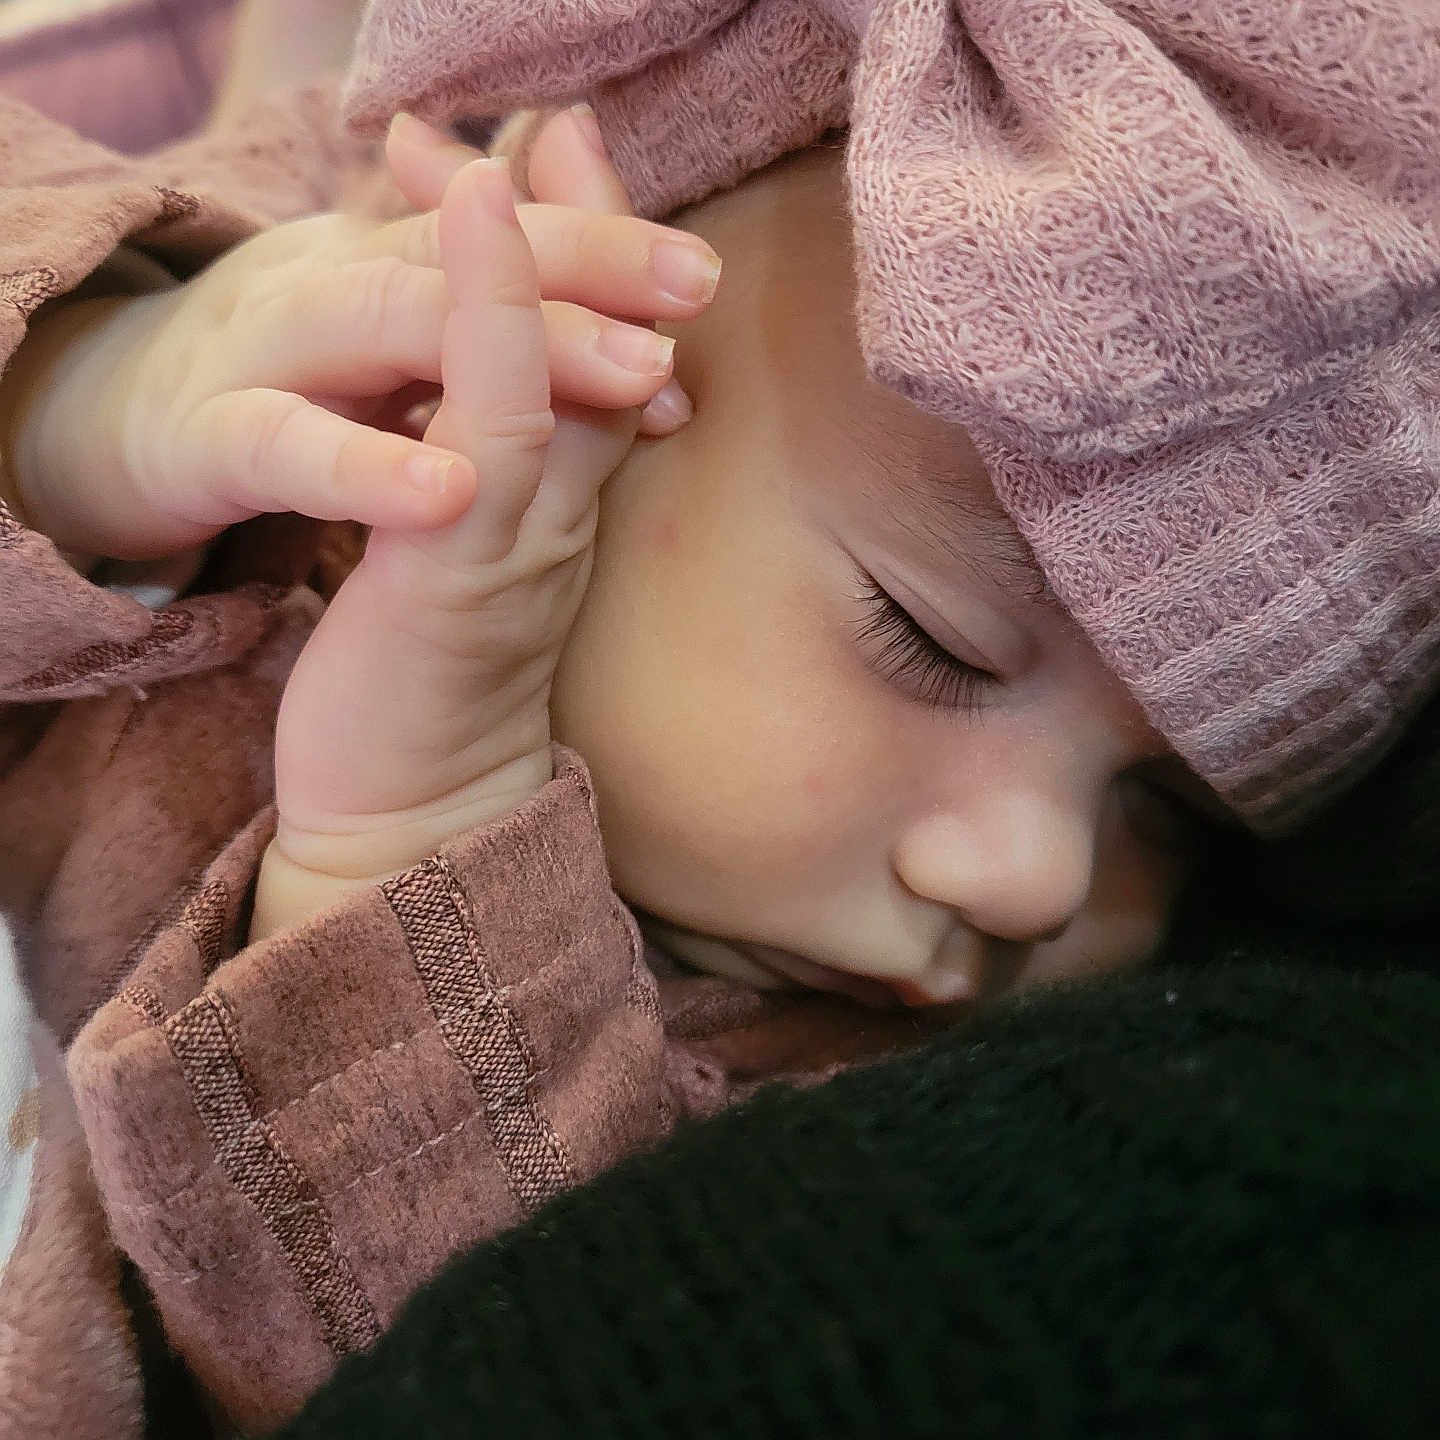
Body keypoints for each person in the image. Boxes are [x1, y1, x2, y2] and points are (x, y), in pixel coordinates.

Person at [1, 0, 1437, 1434]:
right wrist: (88, 392)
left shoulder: (836, 1101)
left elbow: (491, 1370)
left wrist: (411, 842)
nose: (1032, 881)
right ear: (594, 283)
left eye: (1172, 819)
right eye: (928, 640)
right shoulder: (355, 250)